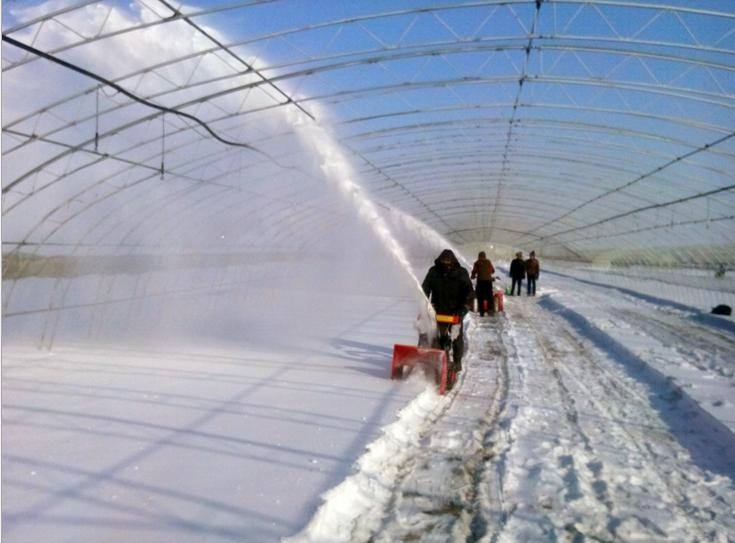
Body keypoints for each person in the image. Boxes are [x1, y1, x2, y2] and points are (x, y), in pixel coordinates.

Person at [421, 249, 474, 371]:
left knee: (456, 337)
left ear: (453, 261)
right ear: (439, 260)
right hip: (436, 311)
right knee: (428, 335)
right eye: (443, 261)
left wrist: (463, 309)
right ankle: (425, 357)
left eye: (448, 261)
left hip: (455, 312)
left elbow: (470, 293)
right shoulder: (433, 272)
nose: (445, 263)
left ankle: (457, 361)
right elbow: (425, 289)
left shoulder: (461, 273)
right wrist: (424, 305)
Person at [471, 251, 495, 316]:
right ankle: (490, 310)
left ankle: (482, 311)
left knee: (480, 296)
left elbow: (474, 271)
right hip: (488, 281)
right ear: (485, 256)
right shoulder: (488, 261)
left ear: (479, 256)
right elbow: (492, 270)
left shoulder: (477, 263)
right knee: (489, 295)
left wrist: (473, 276)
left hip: (480, 281)